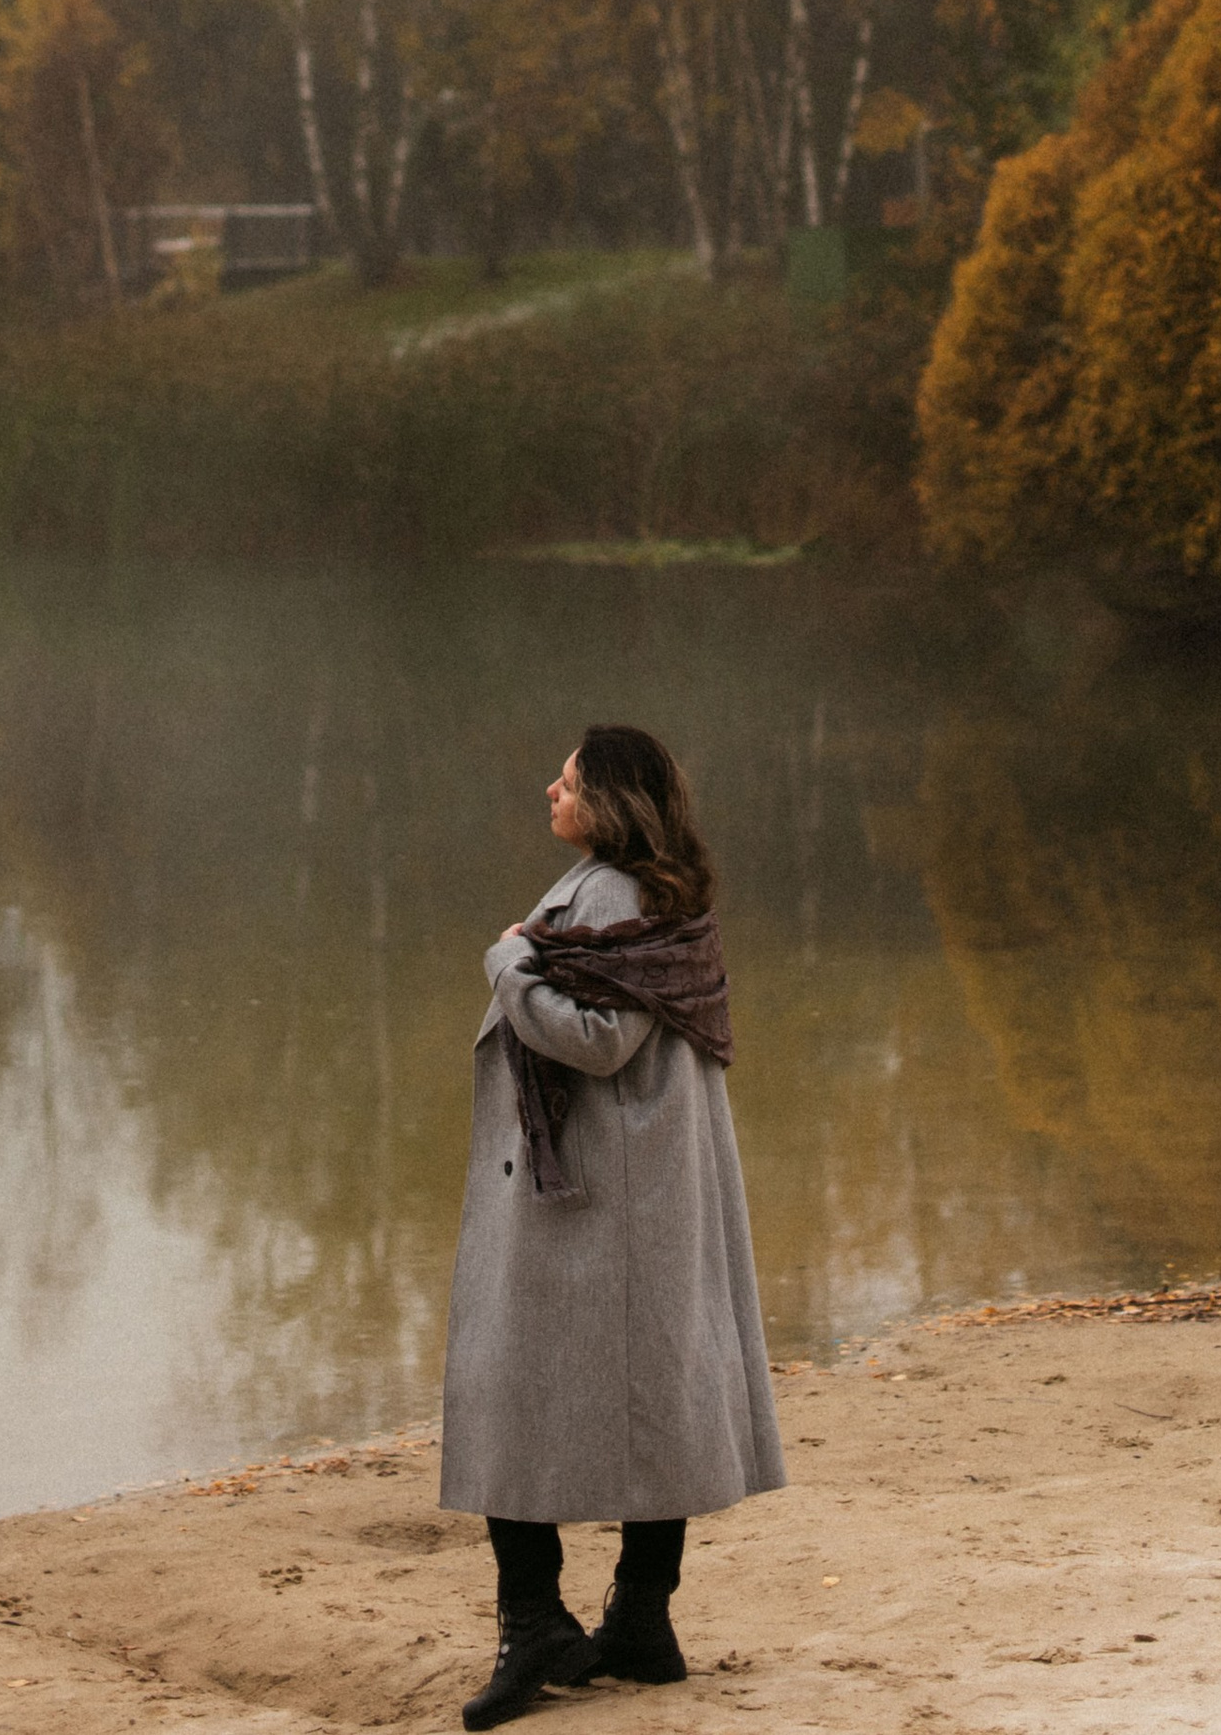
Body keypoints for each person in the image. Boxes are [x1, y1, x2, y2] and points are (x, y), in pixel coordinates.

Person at [440, 722, 784, 1727]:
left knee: (510, 1387)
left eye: (568, 779)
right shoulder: (648, 893)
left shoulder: (614, 896)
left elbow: (600, 1039)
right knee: (652, 1394)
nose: (550, 788)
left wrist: (510, 963)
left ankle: (536, 1624)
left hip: (602, 1196)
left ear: (611, 801)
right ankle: (638, 1621)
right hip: (634, 1191)